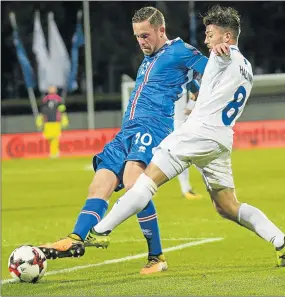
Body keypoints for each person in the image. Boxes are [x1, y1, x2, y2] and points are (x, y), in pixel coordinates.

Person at [84, 5, 285, 269]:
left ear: (227, 38)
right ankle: (281, 240)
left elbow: (218, 58)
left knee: (145, 181)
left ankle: (100, 230)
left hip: (197, 133)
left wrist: (220, 53)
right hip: (221, 140)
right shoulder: (246, 66)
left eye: (210, 35)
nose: (207, 40)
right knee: (227, 206)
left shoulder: (223, 55)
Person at [39, 6, 208, 275]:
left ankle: (157, 257)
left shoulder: (181, 50)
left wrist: (221, 62)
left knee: (133, 182)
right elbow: (191, 82)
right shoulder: (149, 58)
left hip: (153, 128)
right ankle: (75, 239)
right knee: (99, 183)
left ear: (161, 30)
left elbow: (211, 72)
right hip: (126, 131)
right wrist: (194, 90)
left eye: (145, 35)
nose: (141, 42)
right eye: (137, 37)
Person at [174, 91, 202, 200]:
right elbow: (196, 93)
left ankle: (186, 189)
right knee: (191, 155)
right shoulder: (181, 80)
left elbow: (196, 92)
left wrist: (189, 107)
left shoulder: (182, 79)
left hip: (179, 123)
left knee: (184, 155)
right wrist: (189, 107)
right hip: (177, 124)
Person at [36, 85, 69, 158]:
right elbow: (41, 111)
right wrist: (40, 121)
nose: (52, 90)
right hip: (47, 121)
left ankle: (55, 152)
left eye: (53, 88)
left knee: (56, 137)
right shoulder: (45, 99)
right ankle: (52, 152)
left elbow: (62, 110)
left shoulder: (59, 99)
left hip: (56, 121)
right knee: (49, 137)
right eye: (50, 88)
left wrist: (64, 119)